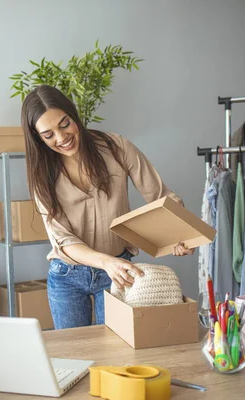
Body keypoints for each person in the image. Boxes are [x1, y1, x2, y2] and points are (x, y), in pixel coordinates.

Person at [20, 84, 194, 330]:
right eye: (48, 135)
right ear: (37, 137)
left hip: (118, 272)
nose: (61, 138)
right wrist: (105, 262)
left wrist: (180, 234)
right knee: (75, 358)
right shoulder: (41, 174)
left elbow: (160, 196)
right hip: (67, 276)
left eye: (64, 124)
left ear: (74, 114)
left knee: (116, 355)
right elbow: (63, 239)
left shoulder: (115, 146)